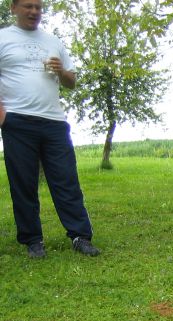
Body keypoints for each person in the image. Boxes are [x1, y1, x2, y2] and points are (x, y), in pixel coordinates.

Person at [0, 0, 99, 258]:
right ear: (13, 8)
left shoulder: (53, 41)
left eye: (38, 7)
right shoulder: (3, 38)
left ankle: (80, 236)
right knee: (24, 183)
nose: (34, 12)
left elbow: (72, 83)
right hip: (18, 120)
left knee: (66, 180)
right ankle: (33, 241)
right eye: (28, 6)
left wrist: (62, 71)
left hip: (54, 121)